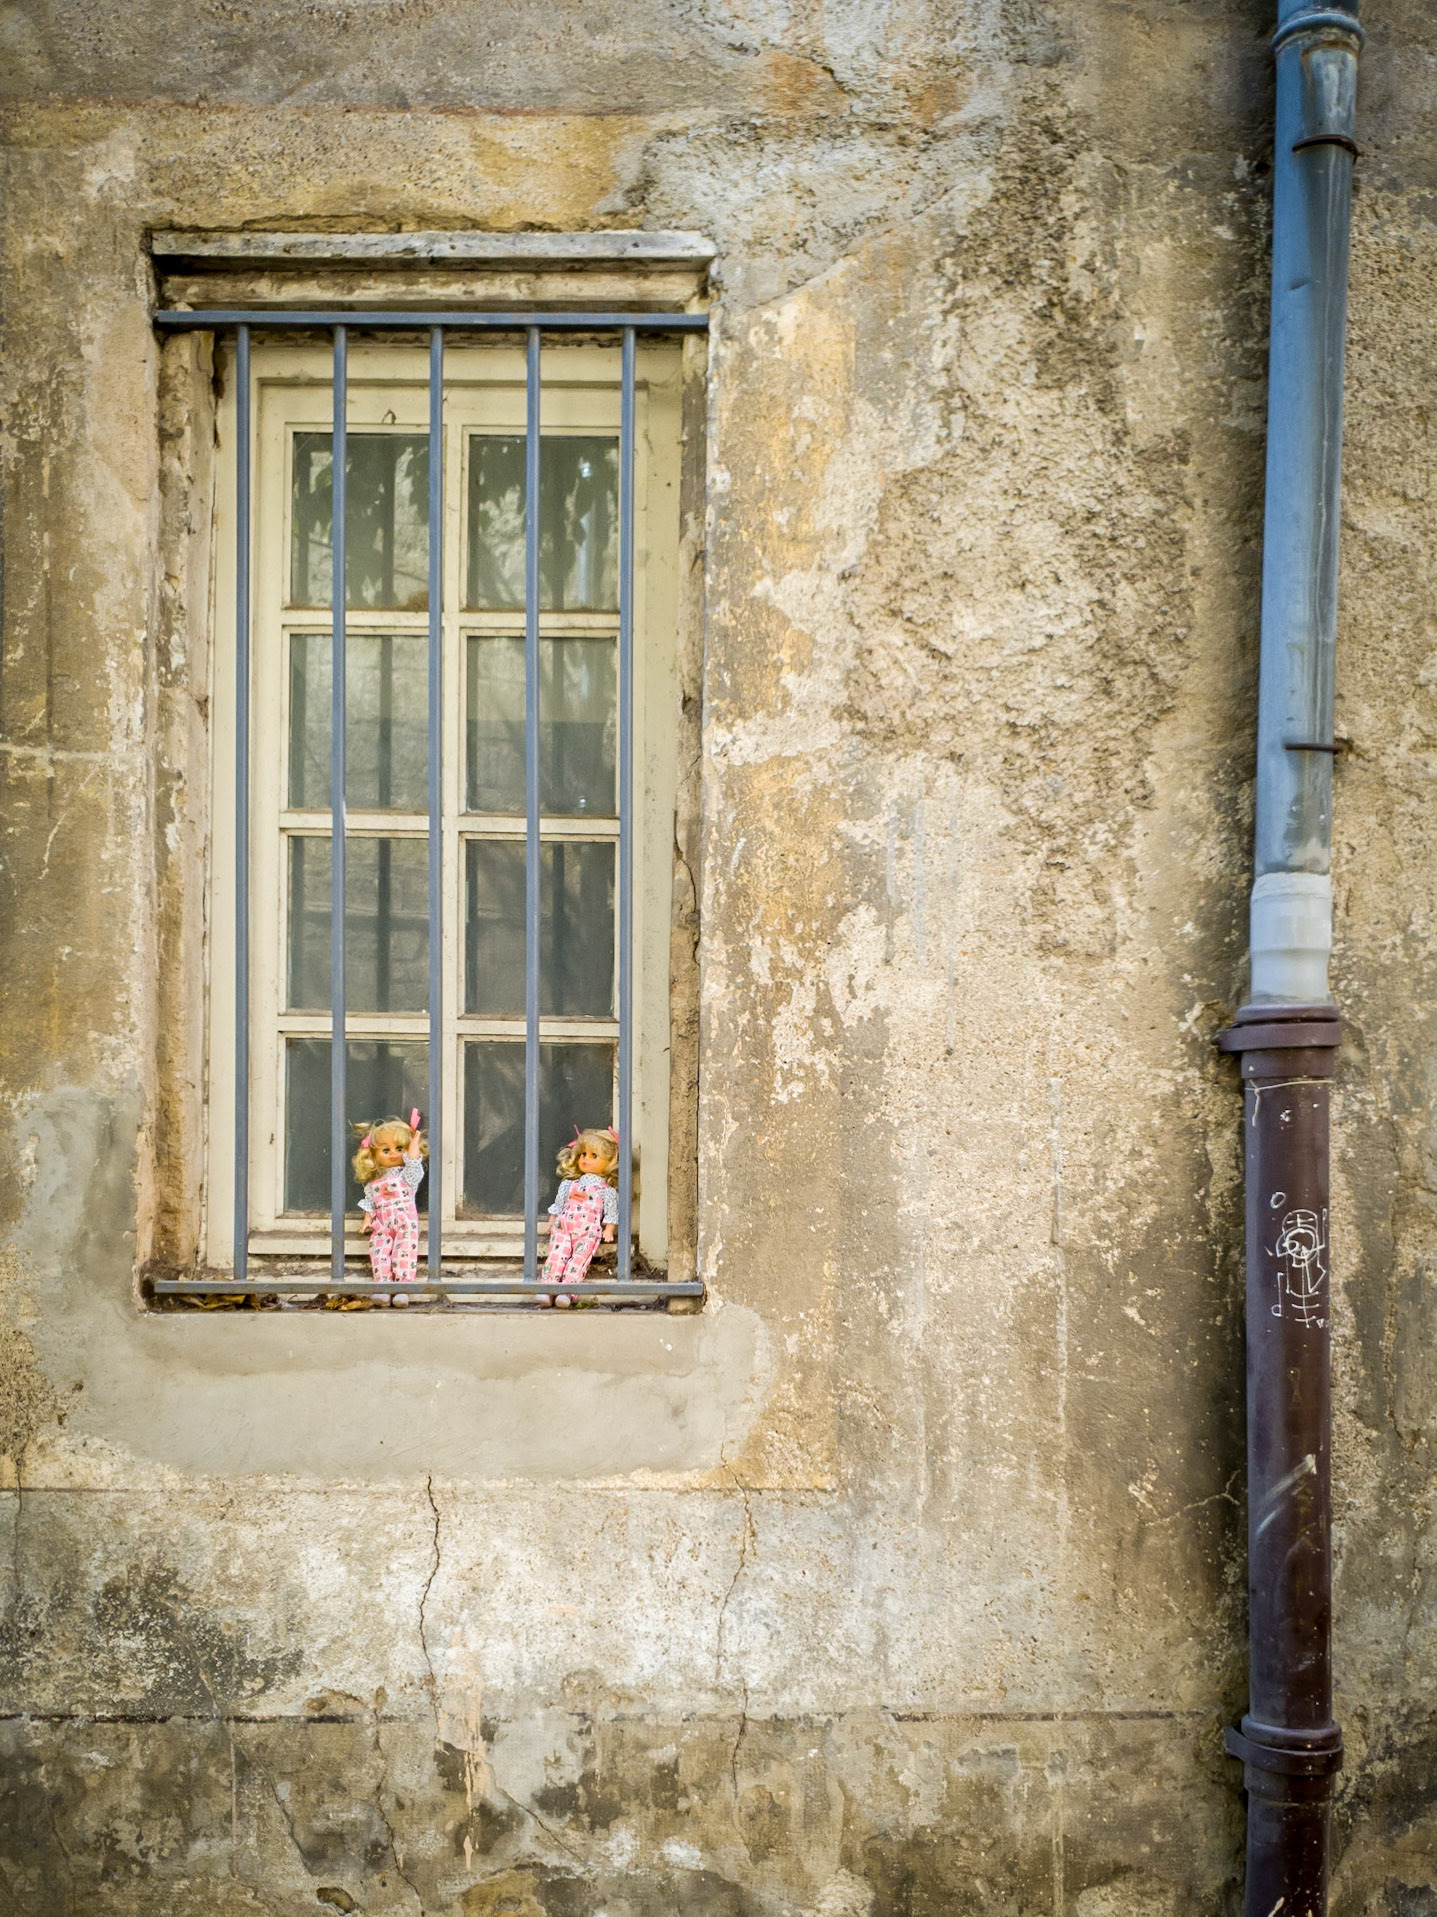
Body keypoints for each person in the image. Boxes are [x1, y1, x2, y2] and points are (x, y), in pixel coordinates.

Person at [351, 1109, 427, 1304]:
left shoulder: (406, 1176)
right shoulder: (373, 1183)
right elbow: (370, 1203)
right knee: (379, 1253)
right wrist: (367, 1220)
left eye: (399, 1148)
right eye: (386, 1150)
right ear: (374, 1155)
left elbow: (413, 1165)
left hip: (404, 1222)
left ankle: (402, 1288)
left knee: (404, 1252)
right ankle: (383, 1286)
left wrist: (414, 1142)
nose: (393, 1154)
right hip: (381, 1224)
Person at [542, 1126, 620, 1305]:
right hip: (564, 1226)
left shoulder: (606, 1191)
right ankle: (548, 1288)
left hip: (588, 1231)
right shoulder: (569, 1185)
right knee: (556, 1254)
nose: (585, 1159)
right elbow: (559, 1205)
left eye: (594, 1156)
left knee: (578, 1260)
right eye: (583, 1154)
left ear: (610, 1161)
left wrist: (609, 1229)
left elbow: (611, 1212)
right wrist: (552, 1219)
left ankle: (568, 1292)